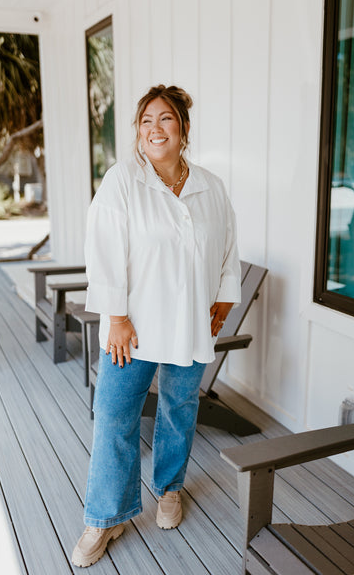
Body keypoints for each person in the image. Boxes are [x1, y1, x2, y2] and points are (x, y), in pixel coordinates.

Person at [72, 84, 241, 568]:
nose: (154, 128)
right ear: (138, 132)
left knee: (179, 407)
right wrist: (118, 317)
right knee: (114, 415)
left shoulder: (210, 185)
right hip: (135, 327)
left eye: (165, 119)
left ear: (183, 129)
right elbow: (102, 250)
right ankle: (106, 517)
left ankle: (169, 489)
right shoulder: (122, 180)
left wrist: (225, 299)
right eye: (146, 120)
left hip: (190, 324)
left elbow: (227, 245)